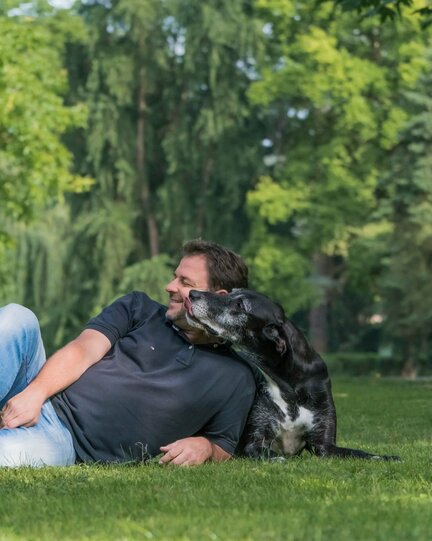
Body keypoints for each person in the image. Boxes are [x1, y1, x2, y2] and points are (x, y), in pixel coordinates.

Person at [0, 240, 256, 467]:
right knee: (17, 317)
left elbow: (223, 443)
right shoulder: (139, 308)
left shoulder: (236, 377)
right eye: (174, 276)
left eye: (185, 282)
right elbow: (83, 349)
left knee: (6, 453)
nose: (169, 286)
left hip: (64, 439)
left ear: (219, 299)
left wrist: (206, 447)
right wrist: (35, 393)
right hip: (40, 393)